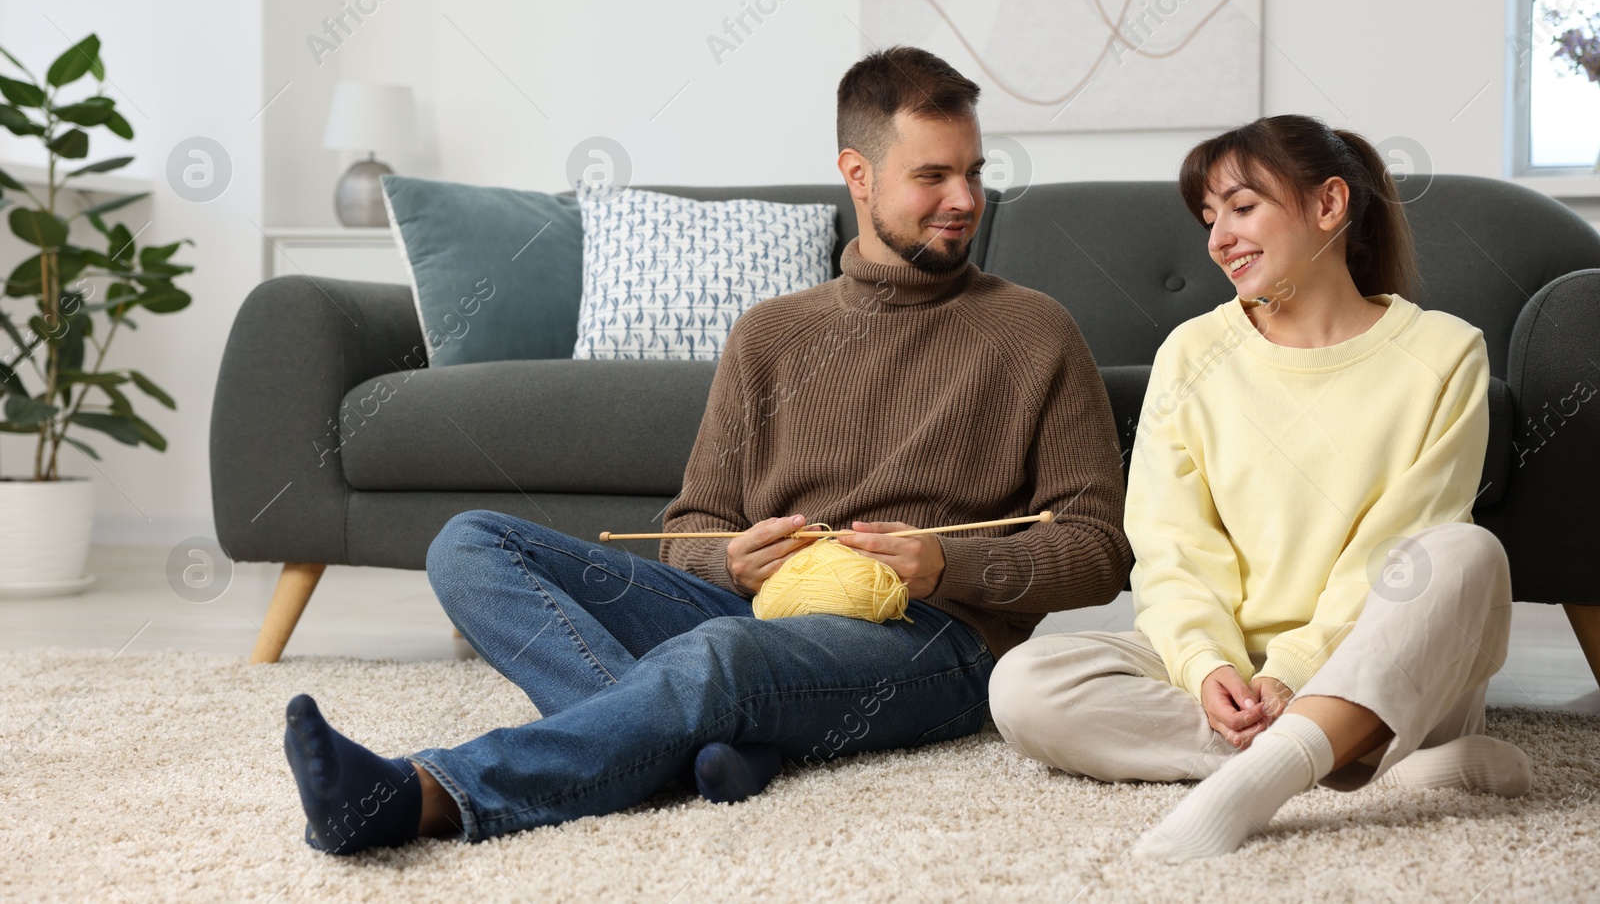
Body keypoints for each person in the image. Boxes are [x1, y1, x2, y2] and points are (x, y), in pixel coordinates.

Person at [280, 45, 1133, 854]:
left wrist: (947, 567)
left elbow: (1100, 550)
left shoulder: (1035, 331)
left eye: (974, 173)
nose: (963, 199)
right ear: (859, 175)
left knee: (718, 658)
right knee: (468, 544)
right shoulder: (770, 334)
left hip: (933, 639)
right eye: (933, 175)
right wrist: (730, 561)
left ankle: (425, 793)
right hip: (758, 611)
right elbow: (691, 524)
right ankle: (704, 749)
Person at [988, 114, 1531, 860]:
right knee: (1023, 683)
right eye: (1210, 219)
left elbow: (1396, 546)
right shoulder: (1192, 353)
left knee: (1466, 554)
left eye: (1242, 208)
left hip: (1386, 665)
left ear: (1329, 205)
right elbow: (1172, 544)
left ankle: (1258, 780)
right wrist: (1210, 666)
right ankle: (1367, 768)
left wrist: (1296, 672)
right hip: (1232, 678)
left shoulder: (1444, 353)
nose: (1218, 240)